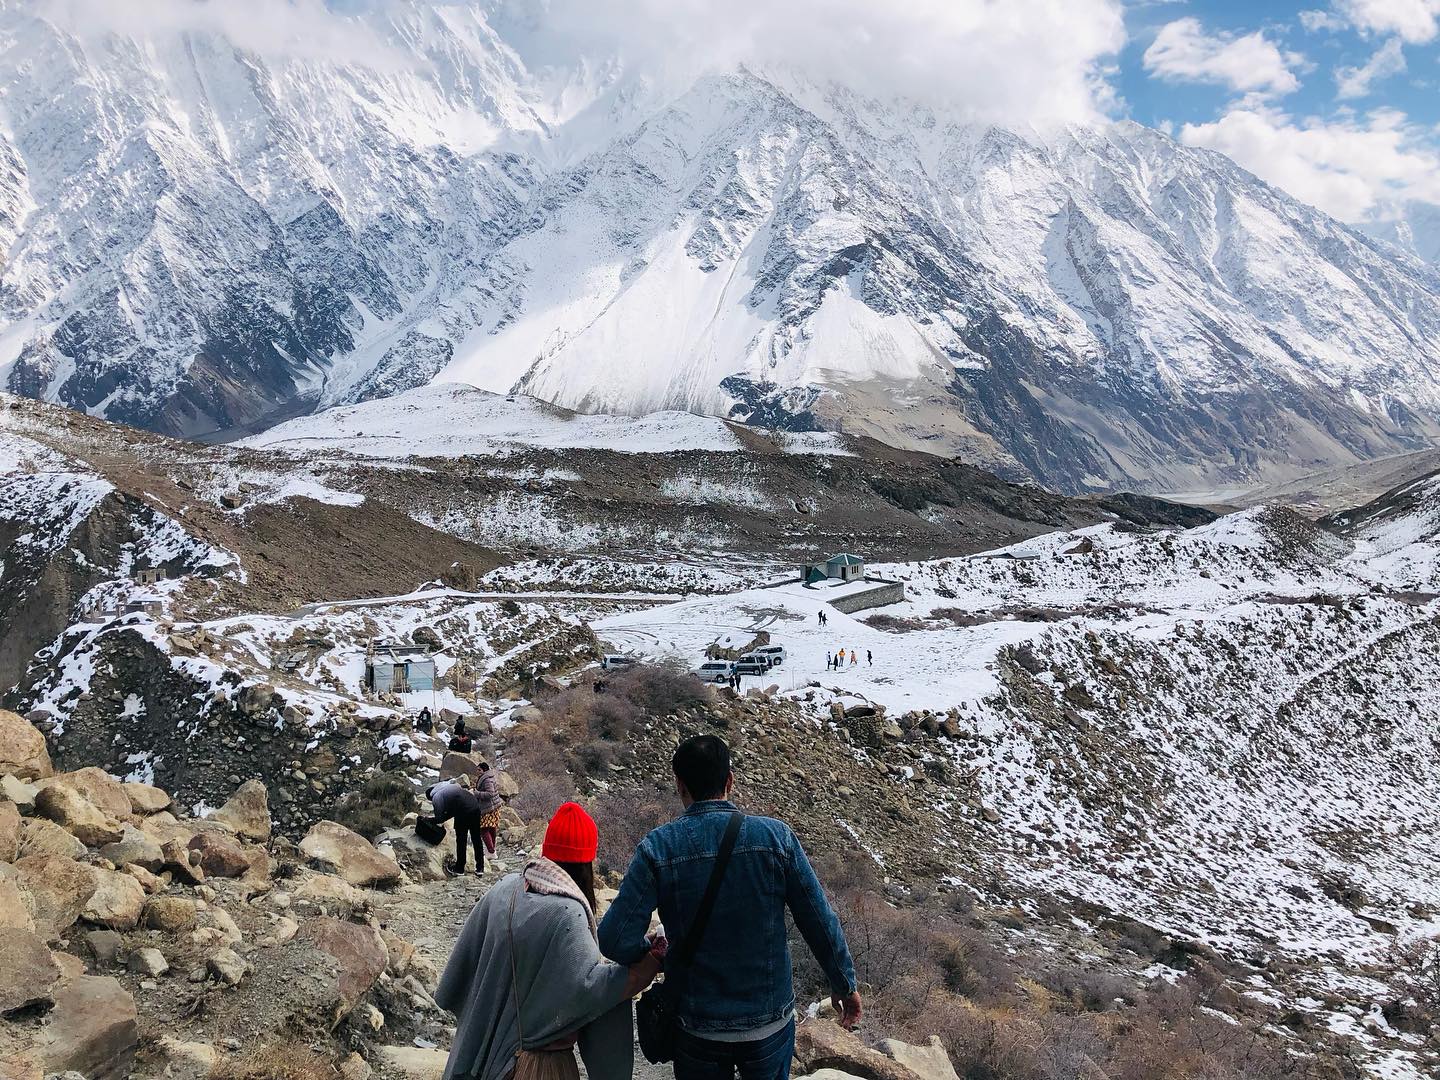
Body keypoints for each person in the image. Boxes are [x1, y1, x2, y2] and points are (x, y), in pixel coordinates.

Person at [600, 735, 861, 1080]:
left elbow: (614, 939)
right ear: (730, 781)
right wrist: (844, 984)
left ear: (680, 784)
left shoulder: (658, 848)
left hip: (697, 1026)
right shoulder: (776, 838)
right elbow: (818, 920)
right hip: (768, 1023)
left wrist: (653, 951)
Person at [437, 803, 663, 1080]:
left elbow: (466, 964)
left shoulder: (504, 889)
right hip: (537, 1065)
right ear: (587, 863)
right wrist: (645, 965)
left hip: (483, 1055)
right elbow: (590, 990)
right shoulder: (567, 912)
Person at [428, 775, 486, 877]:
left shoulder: (436, 797)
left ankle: (459, 869)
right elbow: (451, 810)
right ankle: (480, 868)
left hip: (463, 812)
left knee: (461, 840)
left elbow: (440, 818)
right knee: (476, 838)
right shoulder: (449, 787)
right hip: (475, 807)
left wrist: (429, 820)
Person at [475, 761, 503, 858]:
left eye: (479, 770)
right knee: (491, 827)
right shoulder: (489, 777)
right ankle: (491, 850)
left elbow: (490, 794)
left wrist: (476, 793)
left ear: (484, 770)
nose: (477, 772)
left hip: (488, 808)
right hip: (494, 806)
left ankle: (491, 851)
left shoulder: (486, 780)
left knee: (483, 829)